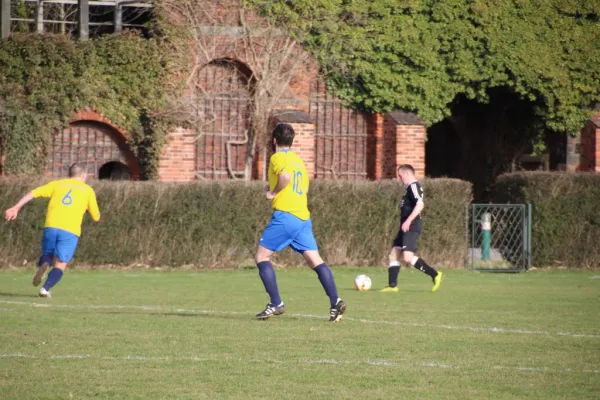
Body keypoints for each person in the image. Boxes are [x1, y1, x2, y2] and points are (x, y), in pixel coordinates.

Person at [255, 123, 346, 322]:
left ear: (275, 140)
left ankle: (276, 302)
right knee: (316, 261)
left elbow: (285, 176)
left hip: (286, 215)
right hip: (303, 217)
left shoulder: (277, 157)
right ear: (292, 140)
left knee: (262, 257)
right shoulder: (298, 161)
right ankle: (335, 301)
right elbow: (304, 190)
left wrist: (273, 192)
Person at [4, 164, 101, 297]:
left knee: (48, 255)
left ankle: (44, 263)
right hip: (70, 230)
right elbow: (96, 217)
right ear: (84, 175)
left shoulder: (58, 184)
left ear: (70, 174)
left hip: (51, 225)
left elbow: (33, 193)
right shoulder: (88, 190)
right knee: (61, 263)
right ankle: (45, 289)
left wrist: (16, 207)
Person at [380, 164, 443, 293]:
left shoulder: (413, 186)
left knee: (407, 257)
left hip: (412, 225)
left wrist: (408, 221)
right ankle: (392, 286)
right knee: (394, 254)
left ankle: (435, 274)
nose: (400, 178)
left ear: (407, 174)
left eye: (400, 176)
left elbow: (420, 204)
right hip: (405, 225)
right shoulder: (408, 188)